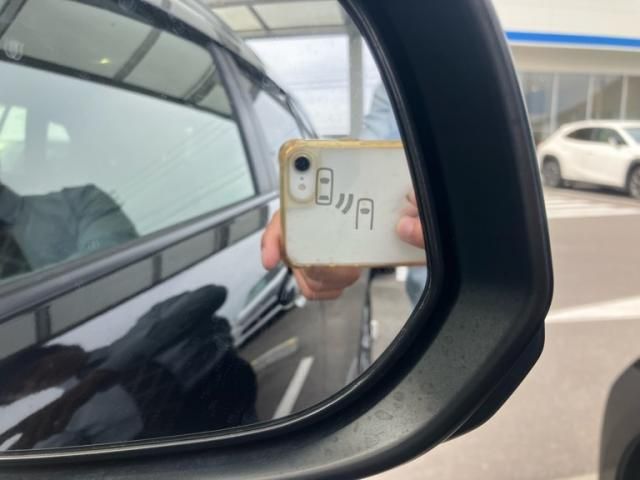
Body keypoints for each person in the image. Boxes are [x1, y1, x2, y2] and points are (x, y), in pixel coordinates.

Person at [261, 83, 426, 300]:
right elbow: (364, 163)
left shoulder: (405, 76)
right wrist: (324, 207)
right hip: (432, 300)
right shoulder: (403, 81)